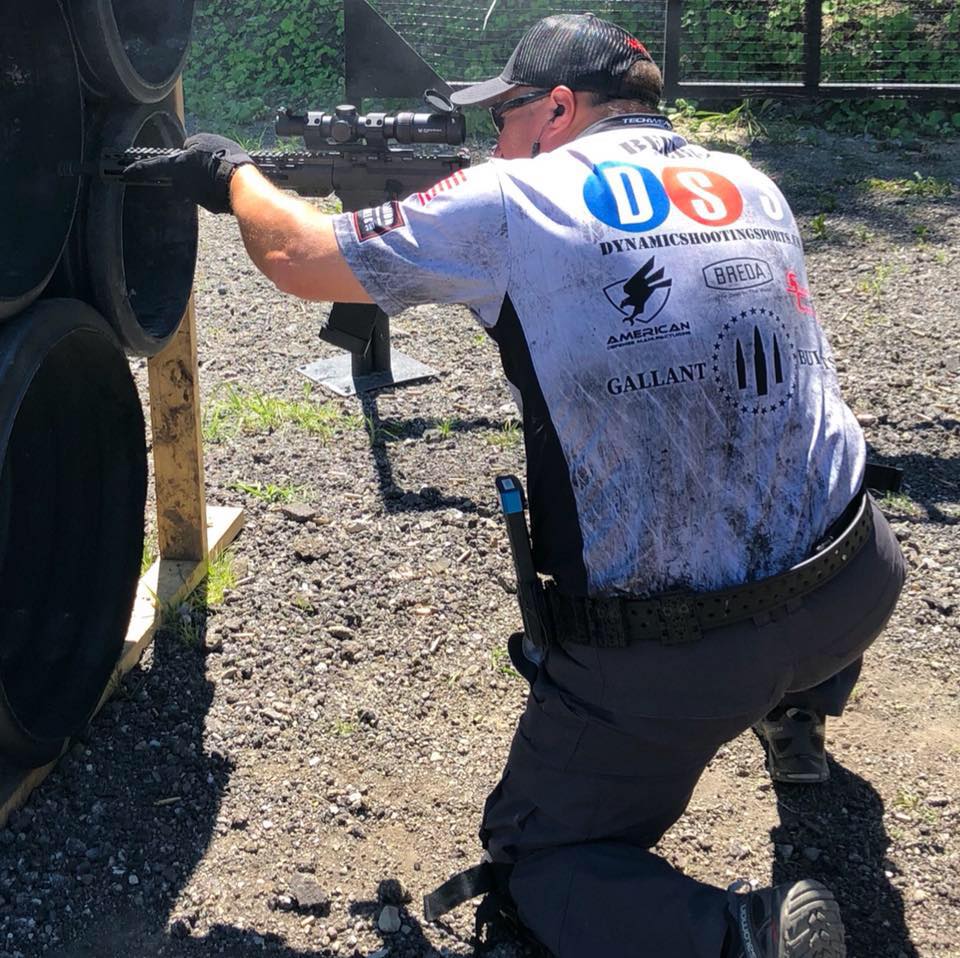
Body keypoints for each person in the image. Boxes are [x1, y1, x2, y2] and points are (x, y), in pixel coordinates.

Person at [125, 13, 905, 957]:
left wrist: (230, 174)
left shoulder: (512, 197)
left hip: (685, 651)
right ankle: (798, 707)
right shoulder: (749, 181)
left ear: (560, 109)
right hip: (856, 580)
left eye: (506, 117)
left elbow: (297, 254)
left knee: (539, 861)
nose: (494, 141)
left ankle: (740, 937)